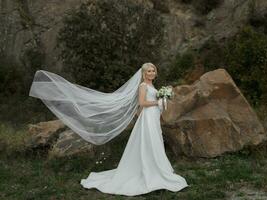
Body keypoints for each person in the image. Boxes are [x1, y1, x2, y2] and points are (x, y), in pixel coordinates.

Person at [29, 62, 188, 196]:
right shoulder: (143, 86)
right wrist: (158, 102)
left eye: (153, 70)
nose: (151, 73)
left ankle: (158, 167)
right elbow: (141, 103)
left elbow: (146, 105)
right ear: (144, 73)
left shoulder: (152, 85)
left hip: (152, 117)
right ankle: (150, 169)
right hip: (148, 117)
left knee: (155, 141)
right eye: (148, 71)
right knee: (150, 142)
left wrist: (161, 101)